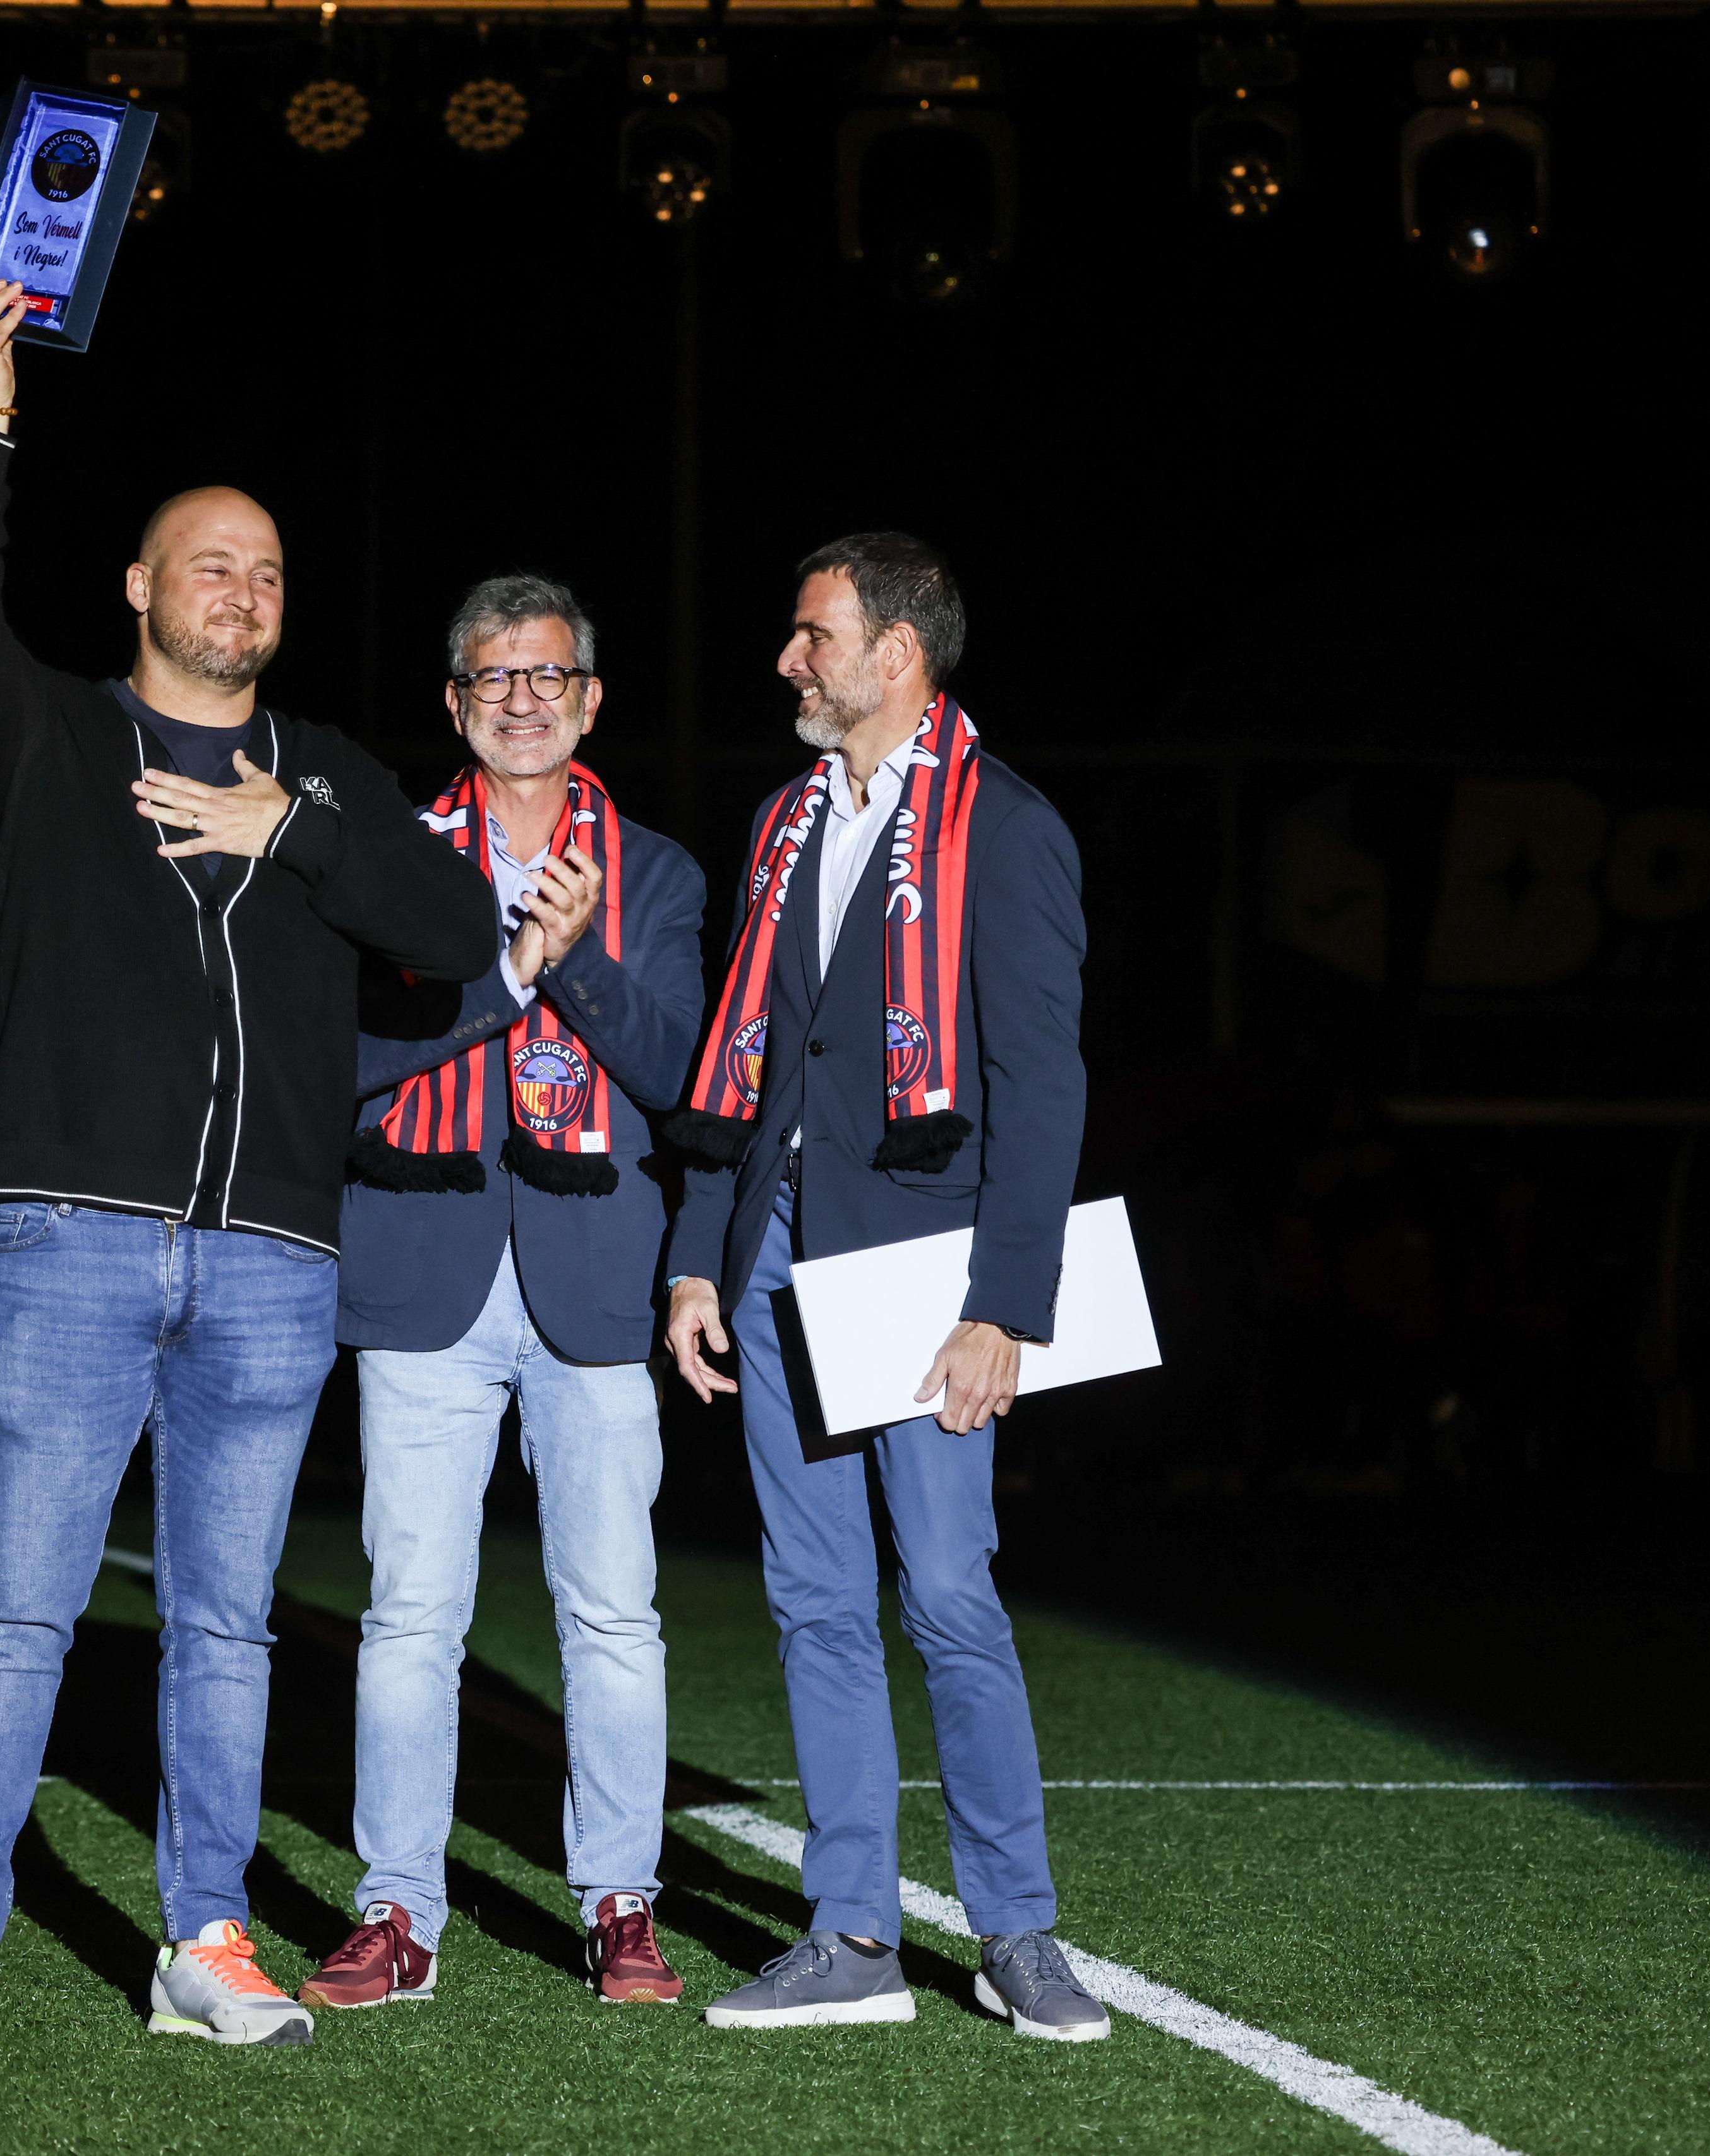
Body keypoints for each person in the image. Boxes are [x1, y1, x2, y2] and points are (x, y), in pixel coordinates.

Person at [0, 282, 502, 2052]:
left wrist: (288, 829)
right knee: (19, 1608)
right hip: (68, 1241)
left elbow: (455, 921)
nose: (245, 589)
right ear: (142, 592)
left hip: (269, 1261)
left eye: (271, 572)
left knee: (225, 1628)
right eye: (210, 564)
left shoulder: (327, 775)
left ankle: (203, 1933)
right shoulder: (49, 741)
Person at [658, 535, 1107, 2040]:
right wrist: (696, 1260)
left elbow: (1040, 1086)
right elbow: (751, 1063)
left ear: (894, 655)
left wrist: (1006, 1307)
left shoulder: (1012, 829)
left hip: (927, 1275)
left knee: (952, 1598)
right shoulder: (785, 822)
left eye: (811, 636)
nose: (789, 661)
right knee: (814, 1603)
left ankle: (1017, 1931)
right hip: (777, 1254)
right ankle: (850, 1934)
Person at [301, 577, 709, 2014]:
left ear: (591, 699)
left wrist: (577, 959)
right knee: (411, 1615)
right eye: (494, 677)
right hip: (423, 1272)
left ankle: (619, 1902)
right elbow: (340, 1065)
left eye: (550, 675)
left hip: (595, 1277)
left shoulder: (654, 872)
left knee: (612, 1615)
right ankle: (398, 1910)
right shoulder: (391, 860)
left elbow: (681, 1078)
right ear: (457, 704)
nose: (524, 698)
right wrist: (504, 968)